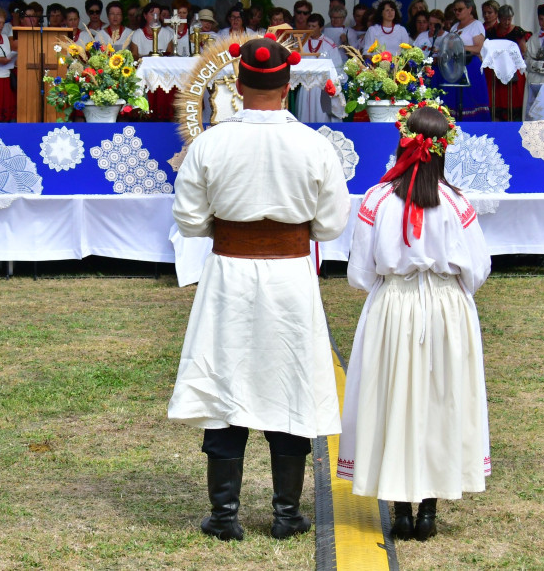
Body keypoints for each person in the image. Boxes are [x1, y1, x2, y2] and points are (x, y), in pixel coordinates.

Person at [169, 35, 351, 542]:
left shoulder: (210, 143)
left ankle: (225, 516)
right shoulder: (314, 145)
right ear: (288, 86)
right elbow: (333, 223)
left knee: (225, 381)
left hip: (229, 272)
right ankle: (286, 514)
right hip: (290, 275)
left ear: (240, 85)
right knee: (290, 382)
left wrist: (228, 229)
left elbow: (186, 218)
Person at [337, 105, 491, 543]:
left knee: (392, 397)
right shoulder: (458, 202)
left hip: (394, 305)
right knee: (441, 398)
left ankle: (400, 508)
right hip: (446, 308)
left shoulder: (377, 200)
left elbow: (360, 274)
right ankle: (428, 511)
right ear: (445, 149)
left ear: (403, 142)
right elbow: (477, 269)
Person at [445, 0, 490, 120]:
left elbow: (478, 48)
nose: (457, 12)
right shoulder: (455, 26)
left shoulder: (476, 25)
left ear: (470, 9)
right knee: (455, 99)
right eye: (455, 10)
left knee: (470, 98)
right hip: (455, 66)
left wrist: (460, 47)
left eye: (460, 9)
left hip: (470, 66)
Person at [484, 4, 530, 120]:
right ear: (499, 18)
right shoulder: (491, 31)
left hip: (512, 71)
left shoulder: (517, 31)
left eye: (509, 19)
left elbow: (523, 50)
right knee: (495, 102)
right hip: (495, 71)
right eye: (504, 19)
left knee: (512, 103)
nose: (507, 22)